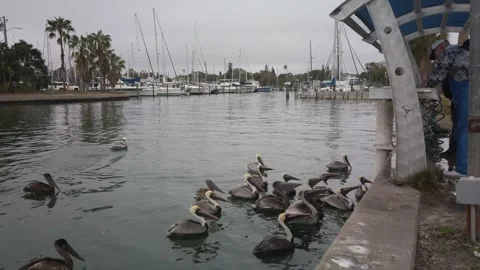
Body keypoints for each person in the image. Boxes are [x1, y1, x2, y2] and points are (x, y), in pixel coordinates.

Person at [423, 39, 470, 179]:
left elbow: (440, 74)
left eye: (435, 54)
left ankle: (463, 169)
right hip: (466, 89)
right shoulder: (461, 52)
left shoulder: (449, 52)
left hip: (465, 89)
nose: (436, 58)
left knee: (464, 128)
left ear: (441, 46)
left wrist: (426, 84)